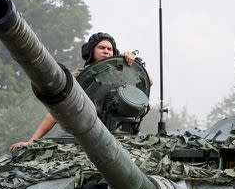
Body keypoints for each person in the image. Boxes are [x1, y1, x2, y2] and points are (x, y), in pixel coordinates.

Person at [9, 32, 141, 153]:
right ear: (91, 51)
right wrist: (31, 141)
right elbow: (57, 112)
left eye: (109, 49)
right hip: (85, 137)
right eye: (102, 48)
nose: (106, 51)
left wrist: (129, 62)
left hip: (121, 138)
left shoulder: (122, 75)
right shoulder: (78, 78)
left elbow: (147, 82)